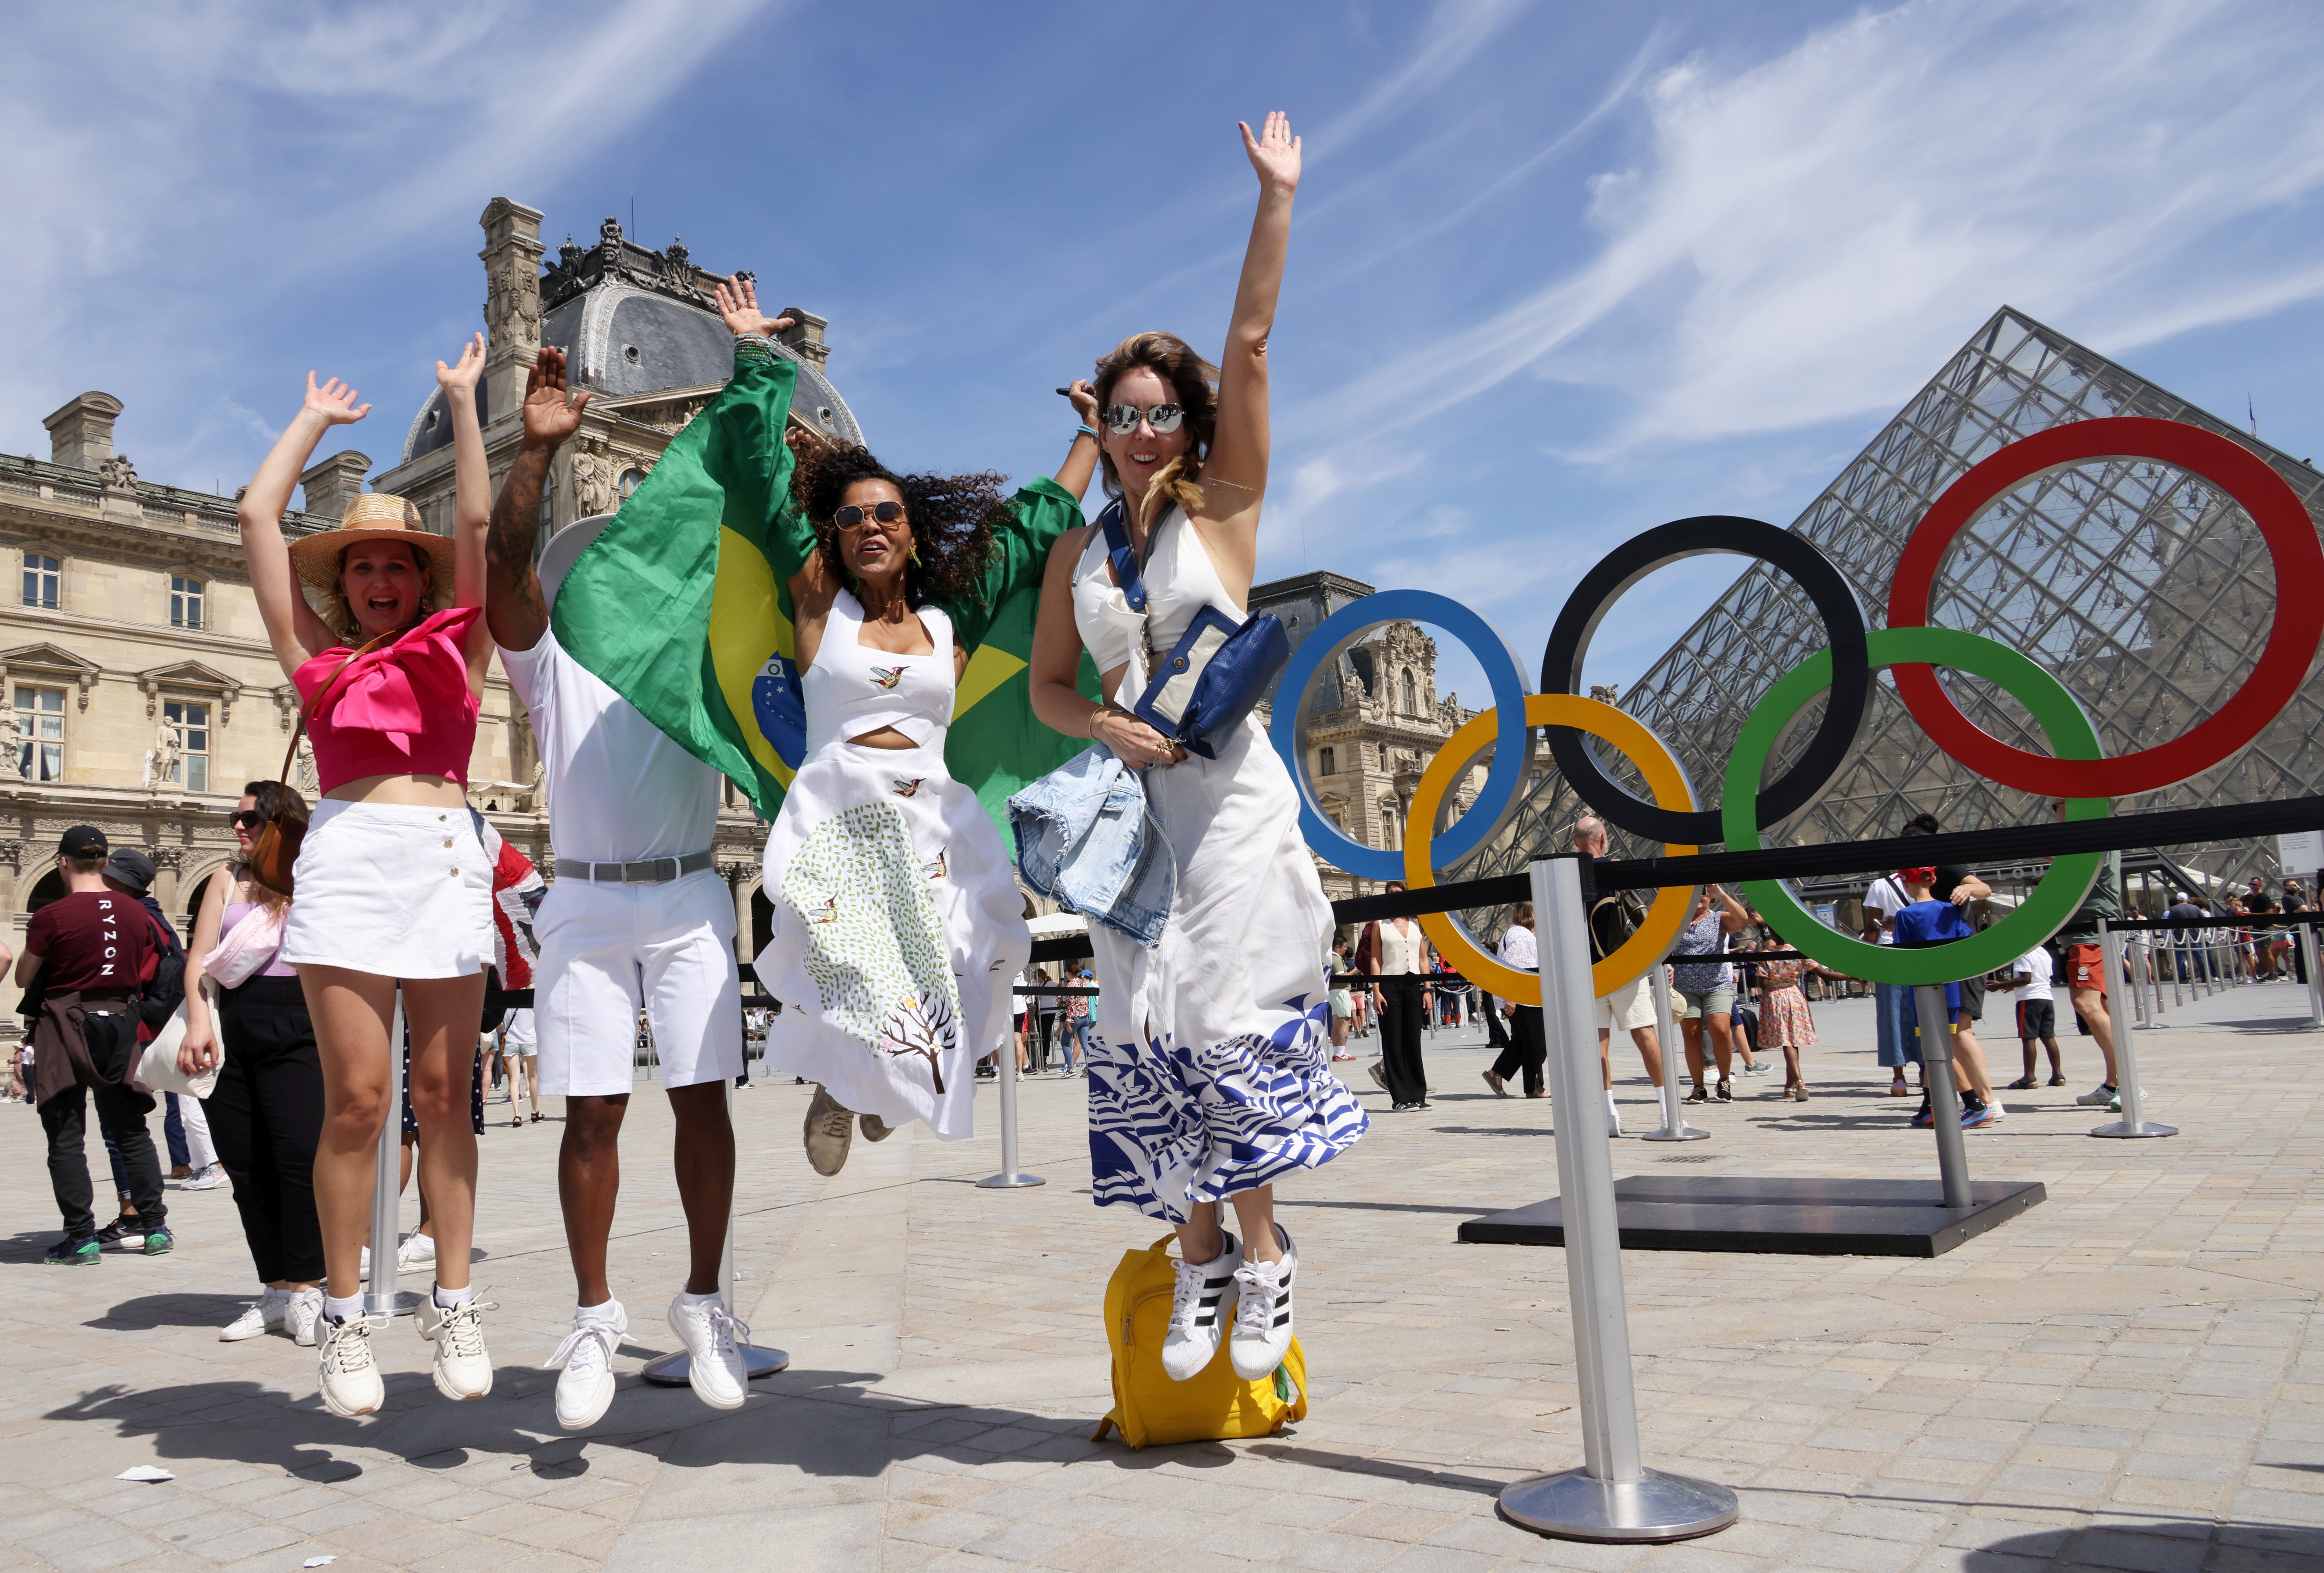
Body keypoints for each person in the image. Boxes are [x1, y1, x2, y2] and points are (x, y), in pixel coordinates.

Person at [1027, 112, 1364, 1383]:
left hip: (1227, 802)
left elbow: (1256, 344)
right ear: (1101, 421)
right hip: (1131, 812)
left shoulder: (1223, 513)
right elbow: (1055, 689)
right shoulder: (1076, 549)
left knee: (1226, 1021)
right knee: (1150, 1030)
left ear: (1189, 421)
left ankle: (1265, 1258)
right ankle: (1200, 1252)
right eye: (1126, 412)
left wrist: (1276, 201)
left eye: (1167, 411)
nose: (1148, 430)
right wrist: (1100, 721)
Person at [703, 279, 1086, 1176]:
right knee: (857, 959)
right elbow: (760, 483)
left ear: (913, 533)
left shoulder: (949, 625)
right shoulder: (815, 607)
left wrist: (1090, 439)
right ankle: (845, 1092)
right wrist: (759, 359)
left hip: (926, 812)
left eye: (886, 514)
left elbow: (1031, 534)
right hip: (840, 809)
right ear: (832, 535)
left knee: (958, 956)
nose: (868, 525)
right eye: (850, 516)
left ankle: (880, 1091)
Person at [479, 346, 756, 1429]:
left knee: (704, 1100)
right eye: (594, 573)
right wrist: (537, 453)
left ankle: (703, 1307)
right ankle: (595, 1314)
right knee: (589, 1111)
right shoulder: (547, 666)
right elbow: (503, 568)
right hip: (586, 900)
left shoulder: (697, 668)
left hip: (690, 894)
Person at [238, 337, 498, 1417]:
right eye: (362, 567)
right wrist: (309, 424)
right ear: (341, 587)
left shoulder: (460, 644)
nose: (382, 579)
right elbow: (257, 521)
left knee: (445, 1099)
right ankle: (343, 1317)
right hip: (347, 857)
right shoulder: (317, 659)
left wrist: (464, 403)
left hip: (442, 857)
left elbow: (479, 525)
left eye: (396, 565)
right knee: (355, 1099)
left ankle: (453, 1295)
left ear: (419, 580)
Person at [181, 784, 328, 1344]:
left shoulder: (312, 875)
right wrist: (197, 1020)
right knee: (245, 1167)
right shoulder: (226, 878)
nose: (238, 827)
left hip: (301, 1025)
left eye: (250, 818)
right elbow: (198, 958)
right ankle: (273, 1288)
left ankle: (307, 1288)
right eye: (235, 817)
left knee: (298, 1160)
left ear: (282, 822)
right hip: (232, 1027)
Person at [24, 826, 170, 1265]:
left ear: (63, 862)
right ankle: (155, 1226)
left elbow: (22, 977)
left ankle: (81, 1237)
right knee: (130, 1129)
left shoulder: (51, 916)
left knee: (67, 1135)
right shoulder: (135, 912)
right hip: (121, 1021)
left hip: (64, 1023)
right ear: (105, 863)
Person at [1861, 813, 1992, 1094]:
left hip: (1958, 961)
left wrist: (1968, 887)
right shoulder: (1919, 878)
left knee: (1958, 1035)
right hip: (1945, 961)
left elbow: (1985, 889)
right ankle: (1932, 1102)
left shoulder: (1943, 865)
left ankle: (1984, 1102)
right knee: (1937, 1038)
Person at [1889, 866, 2001, 1127]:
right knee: (1934, 1048)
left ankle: (1974, 1104)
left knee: (1937, 1050)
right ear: (1935, 879)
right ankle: (1931, 1105)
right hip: (1951, 989)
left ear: (1905, 883)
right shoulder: (1949, 910)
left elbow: (1900, 955)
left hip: (1924, 990)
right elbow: (1965, 942)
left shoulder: (1905, 915)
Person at [1570, 816, 1664, 1112]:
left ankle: (1608, 1113)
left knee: (1597, 1042)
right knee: (1645, 1033)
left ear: (1575, 842)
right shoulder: (1617, 870)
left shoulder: (1565, 877)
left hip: (1586, 971)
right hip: (1622, 966)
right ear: (1602, 839)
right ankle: (1667, 1108)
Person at [2049, 803, 2126, 1111]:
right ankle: (2114, 1083)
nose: (2056, 812)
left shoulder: (2089, 834)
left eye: (2057, 806)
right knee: (2104, 1010)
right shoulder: (2097, 833)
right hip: (2094, 931)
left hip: (2089, 934)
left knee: (2086, 1005)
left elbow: (2077, 872)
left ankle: (2129, 1080)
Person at [1672, 884, 1749, 1103]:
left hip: (1717, 985)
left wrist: (1722, 893)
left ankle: (1724, 1079)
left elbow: (1742, 919)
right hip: (1685, 986)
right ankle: (1698, 1086)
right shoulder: (1676, 920)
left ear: (1710, 898)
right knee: (1692, 1034)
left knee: (1721, 1029)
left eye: (1703, 893)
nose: (1698, 897)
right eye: (1693, 893)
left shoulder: (1719, 919)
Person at [1480, 904, 1551, 1105]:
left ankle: (1497, 1073)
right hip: (1525, 1000)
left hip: (1522, 999)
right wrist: (1513, 998)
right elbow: (1514, 968)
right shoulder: (1523, 937)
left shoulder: (1513, 934)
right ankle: (1535, 1088)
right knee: (1537, 1044)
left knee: (1522, 1041)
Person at [1367, 893, 1432, 1111]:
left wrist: (1427, 990)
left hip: (1414, 986)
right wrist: (1376, 990)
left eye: (1399, 892)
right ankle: (1400, 1098)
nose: (1395, 896)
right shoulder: (1380, 924)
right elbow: (1376, 958)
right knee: (1393, 1042)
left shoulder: (1416, 923)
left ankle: (1417, 1094)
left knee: (1413, 1040)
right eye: (1391, 893)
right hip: (1389, 986)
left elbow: (1423, 959)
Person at [2000, 944, 2064, 1091]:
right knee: (2048, 1036)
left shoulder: (2023, 954)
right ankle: (2058, 1075)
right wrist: (2013, 985)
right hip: (2047, 998)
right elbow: (2040, 977)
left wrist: (2000, 985)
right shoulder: (2043, 952)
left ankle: (2029, 1078)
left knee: (2028, 1038)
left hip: (2029, 1000)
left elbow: (2026, 979)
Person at [500, 1006, 540, 1125]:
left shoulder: (507, 1003)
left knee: (514, 1080)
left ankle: (517, 1115)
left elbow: (502, 1023)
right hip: (530, 1040)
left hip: (512, 1040)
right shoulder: (531, 1003)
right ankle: (535, 1111)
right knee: (533, 1077)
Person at [1327, 937, 1356, 1061]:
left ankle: (1337, 1052)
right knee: (1345, 1022)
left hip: (1333, 993)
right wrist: (1356, 970)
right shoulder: (1336, 959)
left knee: (1336, 1023)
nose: (1346, 949)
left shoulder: (1330, 958)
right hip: (1341, 992)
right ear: (1337, 947)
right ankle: (1341, 1052)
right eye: (1344, 947)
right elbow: (1341, 976)